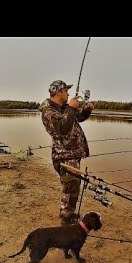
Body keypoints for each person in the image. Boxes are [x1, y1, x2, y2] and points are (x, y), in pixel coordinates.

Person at [40, 80, 94, 224]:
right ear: (58, 92)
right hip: (63, 156)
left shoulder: (63, 108)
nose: (68, 93)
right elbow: (64, 128)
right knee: (70, 187)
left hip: (72, 155)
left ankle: (69, 214)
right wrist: (71, 107)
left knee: (74, 186)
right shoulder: (49, 112)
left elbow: (77, 118)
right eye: (66, 91)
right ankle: (66, 217)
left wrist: (86, 110)